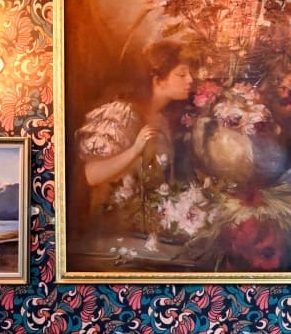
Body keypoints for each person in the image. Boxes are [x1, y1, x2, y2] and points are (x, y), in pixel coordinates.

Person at [74, 40, 199, 222]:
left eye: (190, 74)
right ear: (158, 81)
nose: (190, 80)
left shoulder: (160, 121)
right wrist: (134, 151)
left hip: (144, 223)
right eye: (181, 74)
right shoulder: (122, 114)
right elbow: (91, 175)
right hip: (110, 223)